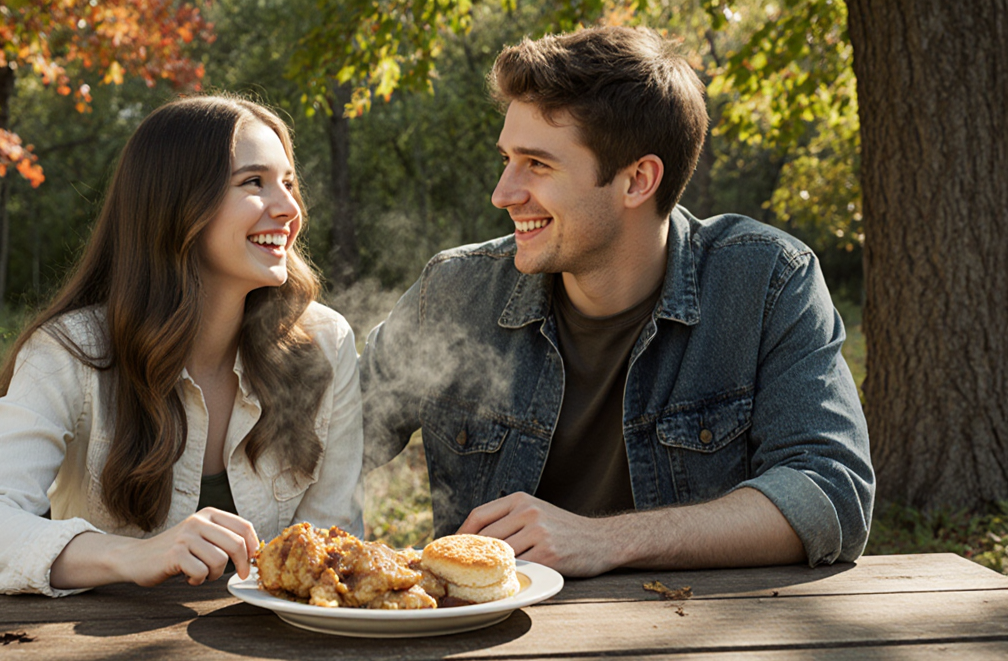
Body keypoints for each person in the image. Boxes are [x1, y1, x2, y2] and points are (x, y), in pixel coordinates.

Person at [360, 26, 874, 577]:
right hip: (484, 642)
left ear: (637, 181)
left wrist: (604, 541)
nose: (503, 193)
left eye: (537, 164)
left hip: (696, 643)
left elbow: (831, 493)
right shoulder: (455, 290)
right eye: (507, 159)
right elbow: (324, 439)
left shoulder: (767, 282)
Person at [0, 95, 363, 596]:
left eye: (288, 183)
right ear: (177, 205)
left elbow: (337, 547)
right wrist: (131, 555)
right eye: (253, 182)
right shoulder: (72, 352)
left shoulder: (325, 345)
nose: (289, 209)